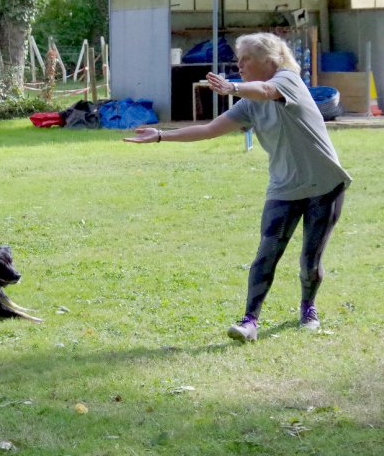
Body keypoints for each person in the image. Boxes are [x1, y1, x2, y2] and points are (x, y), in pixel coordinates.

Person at [124, 32, 352, 342]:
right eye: (238, 59)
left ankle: (308, 308)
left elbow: (266, 89)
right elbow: (208, 130)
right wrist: (162, 135)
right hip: (284, 186)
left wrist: (231, 87)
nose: (239, 65)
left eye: (245, 59)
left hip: (324, 183)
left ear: (268, 62)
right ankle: (249, 321)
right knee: (266, 254)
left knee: (310, 259)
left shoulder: (288, 80)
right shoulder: (249, 104)